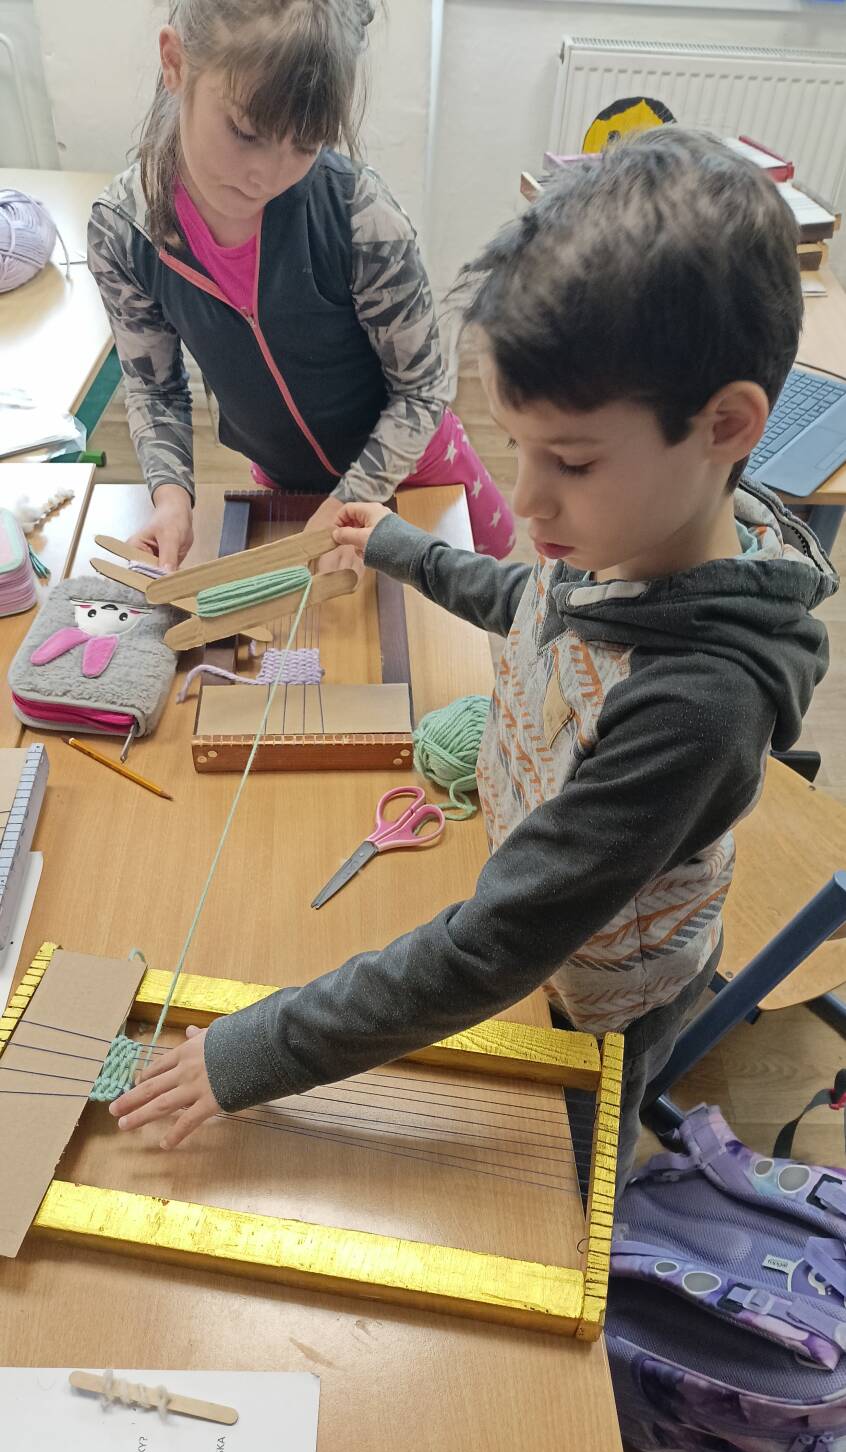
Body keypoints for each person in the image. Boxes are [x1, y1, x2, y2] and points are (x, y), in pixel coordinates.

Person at [110, 129, 838, 1191]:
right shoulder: (627, 537)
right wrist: (406, 549)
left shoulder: (696, 707)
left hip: (602, 996)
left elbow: (491, 949)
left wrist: (247, 1052)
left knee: (560, 1194)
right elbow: (535, 604)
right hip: (548, 894)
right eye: (518, 449)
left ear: (725, 425)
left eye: (570, 461)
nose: (527, 500)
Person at [87, 0, 515, 574]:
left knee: (457, 615)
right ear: (175, 62)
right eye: (245, 131)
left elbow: (421, 392)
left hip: (414, 471)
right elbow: (154, 388)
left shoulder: (362, 219)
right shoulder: (124, 231)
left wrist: (347, 502)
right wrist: (170, 498)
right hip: (286, 480)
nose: (267, 175)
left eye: (306, 144)